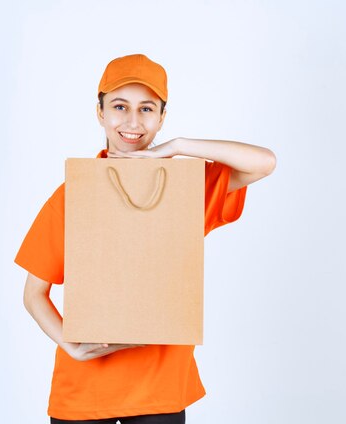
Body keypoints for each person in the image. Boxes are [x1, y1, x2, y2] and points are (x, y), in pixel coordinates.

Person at [15, 54, 276, 423]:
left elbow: (263, 162)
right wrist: (70, 346)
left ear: (161, 118)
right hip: (84, 393)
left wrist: (177, 147)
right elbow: (33, 293)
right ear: (100, 112)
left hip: (160, 392)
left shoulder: (185, 189)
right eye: (120, 106)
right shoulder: (73, 193)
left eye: (147, 109)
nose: (133, 122)